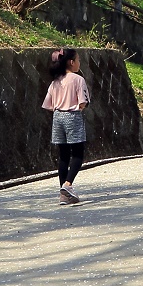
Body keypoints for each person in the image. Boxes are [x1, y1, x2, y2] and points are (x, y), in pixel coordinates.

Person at [42, 47, 90, 205]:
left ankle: (63, 194)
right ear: (71, 62)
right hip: (72, 115)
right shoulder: (78, 79)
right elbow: (83, 102)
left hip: (57, 117)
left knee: (63, 155)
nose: (79, 63)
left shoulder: (55, 81)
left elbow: (48, 104)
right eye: (78, 60)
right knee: (77, 154)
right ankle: (68, 185)